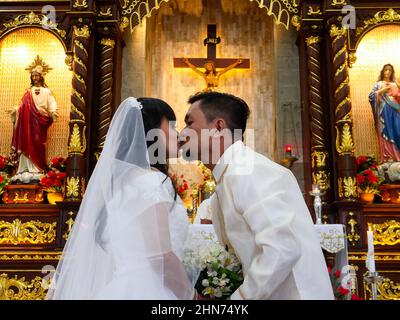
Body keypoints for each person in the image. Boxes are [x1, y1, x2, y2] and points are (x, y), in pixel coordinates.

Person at [180, 91, 334, 300]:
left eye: (190, 123)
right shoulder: (227, 179)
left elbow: (282, 249)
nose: (182, 133)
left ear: (217, 127)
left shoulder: (249, 171)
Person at [46, 97, 195, 300]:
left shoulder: (121, 186)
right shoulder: (152, 182)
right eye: (172, 125)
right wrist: (192, 296)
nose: (178, 134)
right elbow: (161, 257)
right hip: (153, 290)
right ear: (151, 132)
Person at [6, 65, 58, 183]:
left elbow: (52, 103)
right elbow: (21, 106)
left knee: (37, 143)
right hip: (26, 123)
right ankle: (24, 168)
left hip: (39, 122)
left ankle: (37, 168)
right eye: (33, 76)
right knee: (25, 143)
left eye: (36, 75)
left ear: (41, 77)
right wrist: (15, 111)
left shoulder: (46, 91)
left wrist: (53, 112)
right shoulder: (28, 92)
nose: (34, 78)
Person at [369, 64, 400, 162]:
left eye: (390, 70)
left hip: (396, 110)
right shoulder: (378, 84)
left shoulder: (396, 84)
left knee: (397, 131)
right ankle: (389, 156)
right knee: (387, 131)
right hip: (384, 110)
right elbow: (371, 96)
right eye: (386, 70)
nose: (388, 72)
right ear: (383, 72)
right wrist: (382, 91)